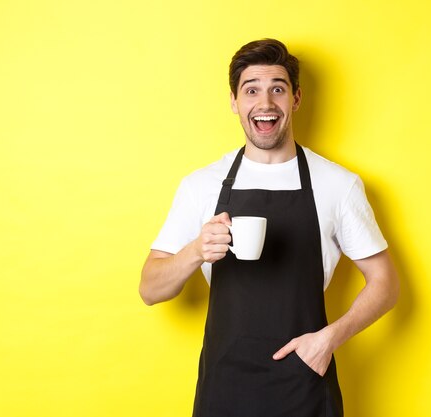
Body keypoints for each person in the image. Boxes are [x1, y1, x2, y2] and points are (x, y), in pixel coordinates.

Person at [140, 38, 400, 417]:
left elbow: (386, 283)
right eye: (251, 91)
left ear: (295, 99)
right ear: (234, 101)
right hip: (224, 387)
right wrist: (196, 250)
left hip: (306, 385)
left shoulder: (337, 184)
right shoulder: (202, 185)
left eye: (278, 89)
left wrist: (329, 340)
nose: (265, 103)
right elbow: (150, 289)